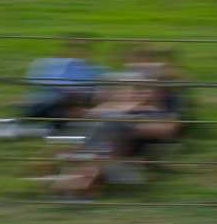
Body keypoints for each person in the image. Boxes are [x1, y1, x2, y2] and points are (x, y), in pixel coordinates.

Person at [50, 55, 185, 198]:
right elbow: (92, 115)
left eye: (149, 88)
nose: (143, 92)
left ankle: (77, 185)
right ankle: (74, 183)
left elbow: (169, 128)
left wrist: (131, 124)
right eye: (140, 88)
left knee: (109, 132)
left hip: (116, 153)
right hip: (96, 150)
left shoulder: (157, 112)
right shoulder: (120, 105)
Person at [19, 36, 105, 131]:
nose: (78, 52)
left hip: (75, 106)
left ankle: (45, 126)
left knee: (60, 109)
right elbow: (40, 82)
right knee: (51, 104)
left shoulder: (95, 70)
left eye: (81, 49)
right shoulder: (53, 65)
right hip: (50, 103)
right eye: (74, 48)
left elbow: (97, 94)